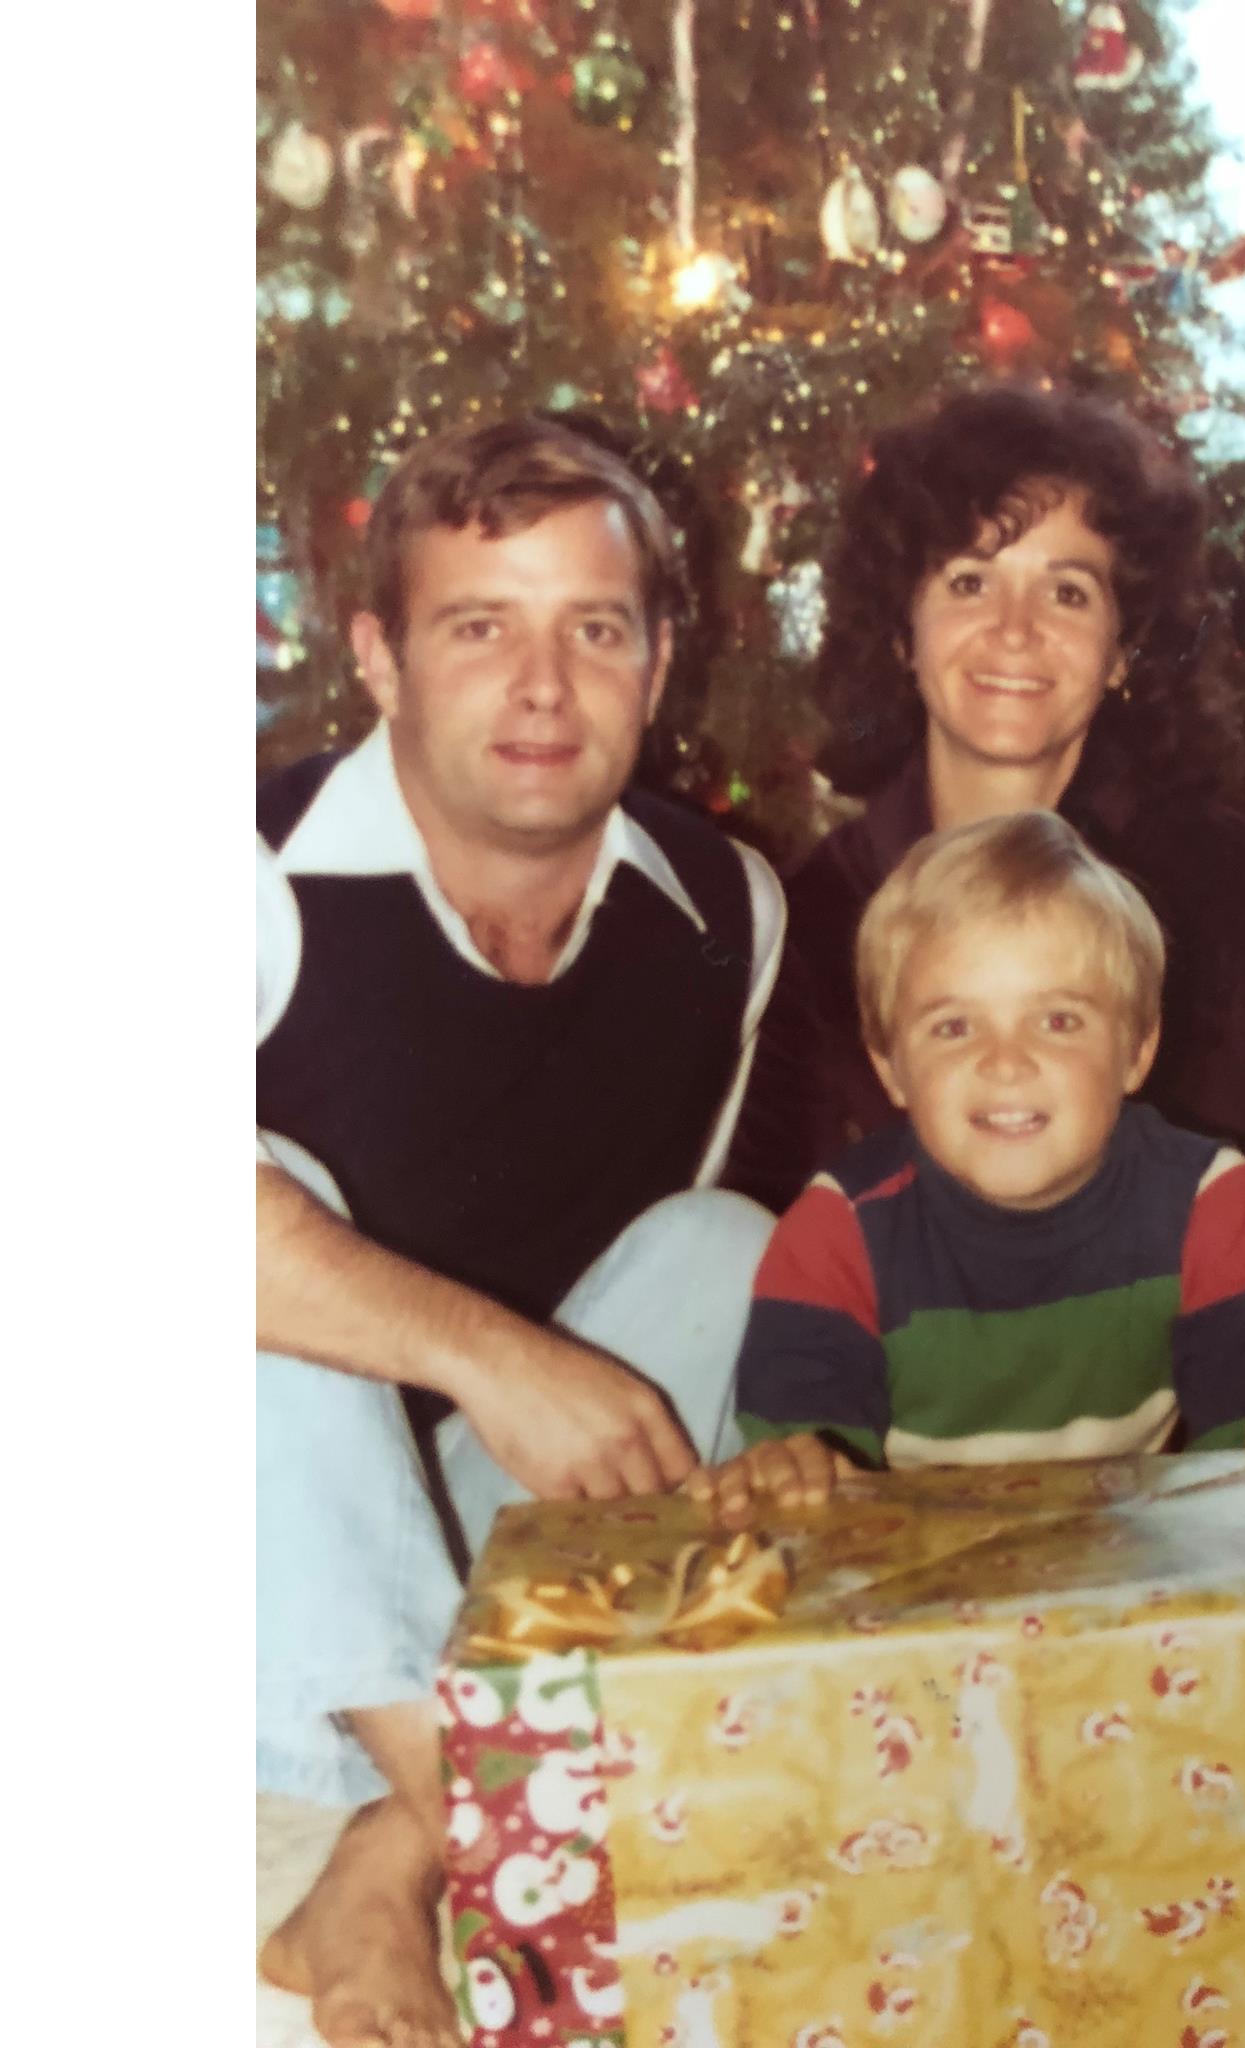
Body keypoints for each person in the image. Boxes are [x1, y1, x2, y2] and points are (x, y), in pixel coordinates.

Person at [255, 416, 785, 2048]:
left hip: (487, 1573)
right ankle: (500, 1816)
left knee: (726, 1242)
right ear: (378, 659)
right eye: (481, 626)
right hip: (230, 1555)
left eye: (594, 628)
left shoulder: (726, 911)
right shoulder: (238, 867)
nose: (543, 686)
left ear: (659, 656)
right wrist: (496, 1356)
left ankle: (399, 1842)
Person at [724, 383, 1245, 1214]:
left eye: (1068, 591)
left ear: (1122, 651)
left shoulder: (1223, 878)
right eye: (970, 582)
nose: (1014, 628)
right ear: (904, 630)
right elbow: (766, 1232)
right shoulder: (810, 923)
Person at [694, 811, 1245, 1529]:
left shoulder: (1211, 1202)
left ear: (1138, 1048)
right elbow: (803, 1481)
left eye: (1058, 1020)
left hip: (1130, 1573)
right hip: (900, 1575)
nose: (1004, 1061)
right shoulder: (837, 1229)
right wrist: (791, 1471)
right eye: (953, 1026)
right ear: (891, 1068)